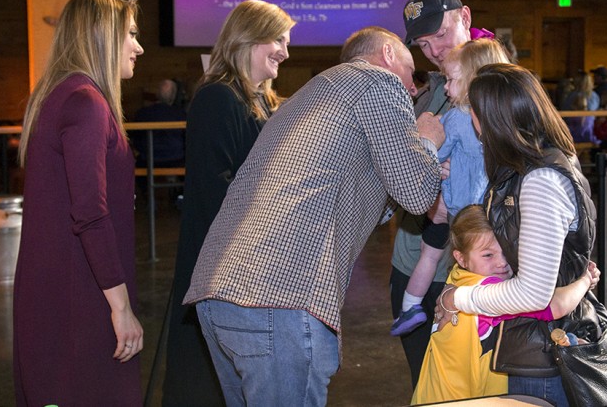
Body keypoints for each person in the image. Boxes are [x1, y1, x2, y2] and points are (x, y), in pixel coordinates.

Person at [183, 26, 445, 406]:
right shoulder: (378, 82)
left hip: (220, 293)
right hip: (279, 299)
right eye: (409, 74)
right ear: (388, 54)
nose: (412, 89)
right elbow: (418, 193)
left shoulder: (313, 94)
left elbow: (356, 194)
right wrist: (426, 141)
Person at [435, 63, 598, 406]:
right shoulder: (534, 165)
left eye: (473, 110)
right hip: (535, 344)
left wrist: (456, 298)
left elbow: (533, 295)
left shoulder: (540, 180)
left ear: (491, 119)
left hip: (545, 354)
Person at [14, 0, 144, 406]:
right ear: (102, 36)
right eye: (131, 34)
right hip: (83, 298)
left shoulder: (60, 94)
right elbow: (90, 213)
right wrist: (121, 308)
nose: (138, 47)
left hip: (58, 289)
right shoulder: (86, 102)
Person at [162, 0, 295, 407]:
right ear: (247, 37)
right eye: (278, 40)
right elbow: (213, 192)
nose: (286, 53)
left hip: (245, 264)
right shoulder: (218, 98)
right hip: (220, 265)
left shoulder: (260, 101)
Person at [392, 0, 494, 387]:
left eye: (440, 34)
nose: (433, 50)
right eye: (422, 42)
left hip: (481, 270)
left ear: (465, 18)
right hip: (415, 259)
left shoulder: (503, 88)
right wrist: (426, 195)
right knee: (426, 381)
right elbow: (396, 175)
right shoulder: (429, 93)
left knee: (480, 386)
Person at [412, 204, 598, 405]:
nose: (502, 262)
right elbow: (556, 305)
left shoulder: (458, 277)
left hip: (432, 397)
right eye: (488, 255)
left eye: (506, 251)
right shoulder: (486, 290)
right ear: (461, 258)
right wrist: (586, 280)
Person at [390, 38, 511, 337]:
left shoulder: (456, 118)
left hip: (452, 210)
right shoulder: (502, 119)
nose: (446, 88)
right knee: (486, 264)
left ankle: (411, 307)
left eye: (452, 80)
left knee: (432, 258)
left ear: (471, 81)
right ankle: (483, 318)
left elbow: (435, 156)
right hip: (487, 213)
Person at [132, 78, 187, 169]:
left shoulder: (142, 113)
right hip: (176, 160)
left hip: (148, 160)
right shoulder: (181, 114)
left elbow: (136, 140)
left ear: (157, 94)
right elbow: (187, 140)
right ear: (174, 96)